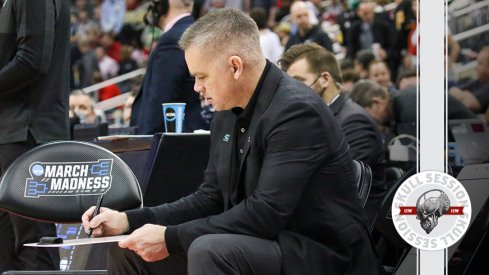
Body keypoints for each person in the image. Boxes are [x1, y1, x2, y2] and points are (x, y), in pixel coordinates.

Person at [82, 8, 383, 275]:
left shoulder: (297, 111)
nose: (197, 88)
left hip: (318, 252)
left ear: (235, 66)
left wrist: (170, 237)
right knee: (127, 249)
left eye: (202, 76)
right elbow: (210, 198)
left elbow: (265, 214)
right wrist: (127, 220)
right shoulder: (226, 110)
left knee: (210, 250)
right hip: (264, 242)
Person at [279, 42, 386, 223]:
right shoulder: (317, 117)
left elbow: (340, 185)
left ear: (325, 79)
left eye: (298, 81)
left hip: (350, 227)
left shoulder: (354, 121)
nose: (291, 91)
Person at [0, 0, 71, 271]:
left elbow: (32, 60)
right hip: (12, 130)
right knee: (9, 246)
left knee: (33, 244)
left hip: (27, 131)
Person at [130, 0, 211, 134]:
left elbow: (159, 102)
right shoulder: (195, 32)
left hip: (172, 144)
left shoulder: (173, 39)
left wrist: (145, 148)